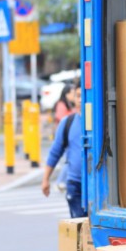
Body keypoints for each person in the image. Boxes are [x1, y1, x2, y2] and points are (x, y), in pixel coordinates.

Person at [42, 83, 86, 218]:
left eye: (83, 95)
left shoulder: (100, 122)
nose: (80, 99)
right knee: (78, 229)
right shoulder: (67, 122)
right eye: (77, 95)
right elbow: (55, 152)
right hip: (74, 184)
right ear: (73, 98)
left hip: (96, 184)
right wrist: (46, 179)